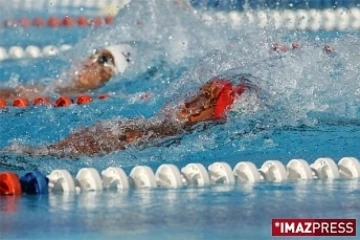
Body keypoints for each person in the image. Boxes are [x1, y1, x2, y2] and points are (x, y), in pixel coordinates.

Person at [14, 73, 259, 158]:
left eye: (204, 96)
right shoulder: (174, 125)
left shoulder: (177, 130)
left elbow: (129, 139)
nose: (191, 99)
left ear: (214, 110)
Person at [0, 44, 132, 102]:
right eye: (94, 54)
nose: (91, 61)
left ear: (111, 75)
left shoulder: (82, 99)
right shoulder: (53, 88)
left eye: (103, 60)